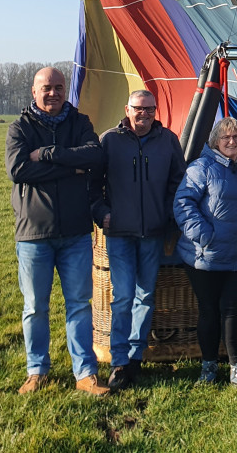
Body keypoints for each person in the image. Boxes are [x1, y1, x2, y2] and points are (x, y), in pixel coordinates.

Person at [5, 67, 108, 396]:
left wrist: (50, 155)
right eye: (46, 88)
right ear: (34, 92)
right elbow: (19, 169)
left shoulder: (80, 123)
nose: (53, 93)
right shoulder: (20, 128)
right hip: (34, 234)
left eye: (59, 87)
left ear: (66, 90)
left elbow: (95, 156)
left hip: (76, 233)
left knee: (79, 304)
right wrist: (71, 168)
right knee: (35, 307)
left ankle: (85, 373)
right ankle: (37, 371)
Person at [91, 90, 185, 390]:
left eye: (149, 109)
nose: (143, 113)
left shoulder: (168, 141)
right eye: (138, 108)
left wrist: (167, 215)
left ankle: (135, 357)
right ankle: (119, 361)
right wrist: (102, 213)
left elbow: (178, 181)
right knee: (122, 297)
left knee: (145, 296)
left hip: (153, 233)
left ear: (156, 111)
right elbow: (93, 184)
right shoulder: (109, 140)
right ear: (127, 109)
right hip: (120, 233)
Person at [173, 117, 237, 386]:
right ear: (215, 141)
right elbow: (183, 202)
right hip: (206, 256)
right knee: (209, 310)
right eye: (226, 137)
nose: (232, 141)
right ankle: (209, 366)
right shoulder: (201, 167)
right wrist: (203, 235)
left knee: (233, 309)